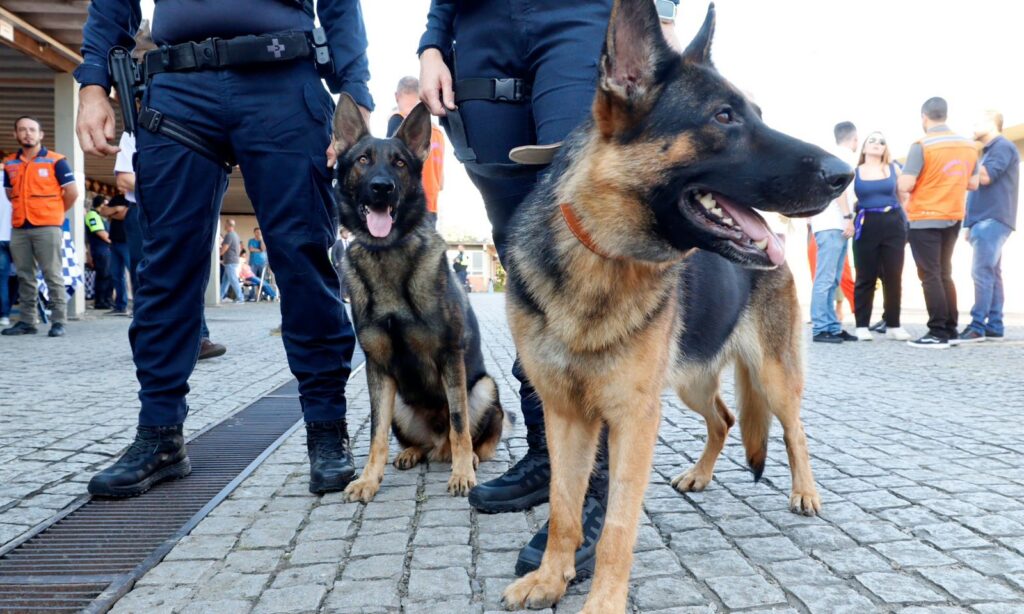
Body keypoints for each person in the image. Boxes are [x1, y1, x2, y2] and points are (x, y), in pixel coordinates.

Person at [418, 0, 681, 579]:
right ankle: (547, 453)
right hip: (480, 23)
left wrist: (660, 12)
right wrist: (432, 43)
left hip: (578, 14)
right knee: (518, 240)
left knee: (582, 210)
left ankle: (600, 490)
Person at [77, 0, 371, 497]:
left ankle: (326, 429)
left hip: (282, 79)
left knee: (303, 259)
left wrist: (356, 90)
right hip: (177, 85)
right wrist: (91, 83)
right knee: (166, 264)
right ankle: (160, 434)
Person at [115, 128, 226, 360]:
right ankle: (150, 339)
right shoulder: (134, 133)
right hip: (145, 210)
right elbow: (125, 178)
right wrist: (169, 189)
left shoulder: (192, 131)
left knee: (190, 271)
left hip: (184, 209)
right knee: (146, 275)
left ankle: (198, 339)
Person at [898, 97, 979, 349]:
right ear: (945, 114)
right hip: (953, 215)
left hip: (924, 216)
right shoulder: (968, 146)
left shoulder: (922, 145)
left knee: (930, 275)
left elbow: (905, 184)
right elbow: (974, 183)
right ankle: (951, 329)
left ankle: (936, 332)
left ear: (924, 117)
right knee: (944, 272)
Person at [2, 116, 78, 338]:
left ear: (41, 135)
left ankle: (58, 321)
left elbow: (72, 192)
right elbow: (9, 194)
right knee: (25, 275)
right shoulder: (10, 163)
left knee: (52, 274)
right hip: (19, 227)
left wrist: (55, 212)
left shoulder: (56, 161)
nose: (27, 133)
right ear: (16, 134)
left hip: (47, 226)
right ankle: (27, 321)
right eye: (22, 130)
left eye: (32, 130)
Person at [958, 110, 1019, 343]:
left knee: (981, 272)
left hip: (992, 219)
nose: (972, 126)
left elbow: (984, 178)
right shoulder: (989, 151)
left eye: (977, 122)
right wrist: (969, 223)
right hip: (984, 220)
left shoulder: (1001, 146)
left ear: (992, 124)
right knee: (992, 272)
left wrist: (966, 155)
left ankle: (977, 326)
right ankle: (994, 326)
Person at [850, 132, 911, 341]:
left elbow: (905, 196)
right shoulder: (855, 172)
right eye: (872, 141)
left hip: (893, 221)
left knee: (893, 275)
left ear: (885, 149)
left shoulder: (894, 168)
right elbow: (845, 199)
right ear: (864, 148)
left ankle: (893, 324)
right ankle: (861, 326)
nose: (877, 144)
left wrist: (905, 221)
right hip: (867, 223)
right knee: (865, 276)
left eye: (882, 142)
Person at [809, 121, 858, 344]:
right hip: (832, 223)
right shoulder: (843, 156)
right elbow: (841, 190)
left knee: (833, 278)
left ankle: (832, 325)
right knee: (826, 278)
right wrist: (848, 217)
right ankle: (821, 327)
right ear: (854, 139)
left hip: (830, 224)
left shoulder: (829, 155)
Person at [387, 76, 445, 225]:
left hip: (406, 204)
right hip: (430, 205)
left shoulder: (398, 120)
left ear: (396, 96)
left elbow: (388, 163)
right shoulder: (437, 133)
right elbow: (442, 182)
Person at [98, 193, 133, 315]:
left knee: (134, 274)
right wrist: (117, 209)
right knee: (116, 275)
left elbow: (126, 214)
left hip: (129, 241)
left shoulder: (133, 197)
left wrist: (112, 213)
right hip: (114, 241)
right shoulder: (117, 198)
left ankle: (138, 307)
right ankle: (120, 306)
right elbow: (103, 211)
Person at [86, 195, 114, 310]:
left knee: (109, 275)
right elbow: (100, 233)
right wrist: (115, 241)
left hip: (106, 249)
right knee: (103, 275)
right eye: (106, 205)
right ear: (102, 204)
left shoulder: (100, 217)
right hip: (100, 249)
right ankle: (101, 301)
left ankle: (107, 300)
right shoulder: (92, 215)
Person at [220, 220, 244, 303]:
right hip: (232, 261)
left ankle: (240, 298)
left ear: (229, 225)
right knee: (225, 281)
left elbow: (225, 247)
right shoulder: (236, 235)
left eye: (225, 225)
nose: (224, 226)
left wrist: (218, 255)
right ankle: (220, 297)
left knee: (233, 280)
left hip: (230, 261)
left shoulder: (229, 235)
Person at [0, 172, 12, 327]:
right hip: (19, 233)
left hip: (0, 237)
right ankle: (30, 313)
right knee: (25, 276)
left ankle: (4, 315)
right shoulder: (18, 181)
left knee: (2, 278)